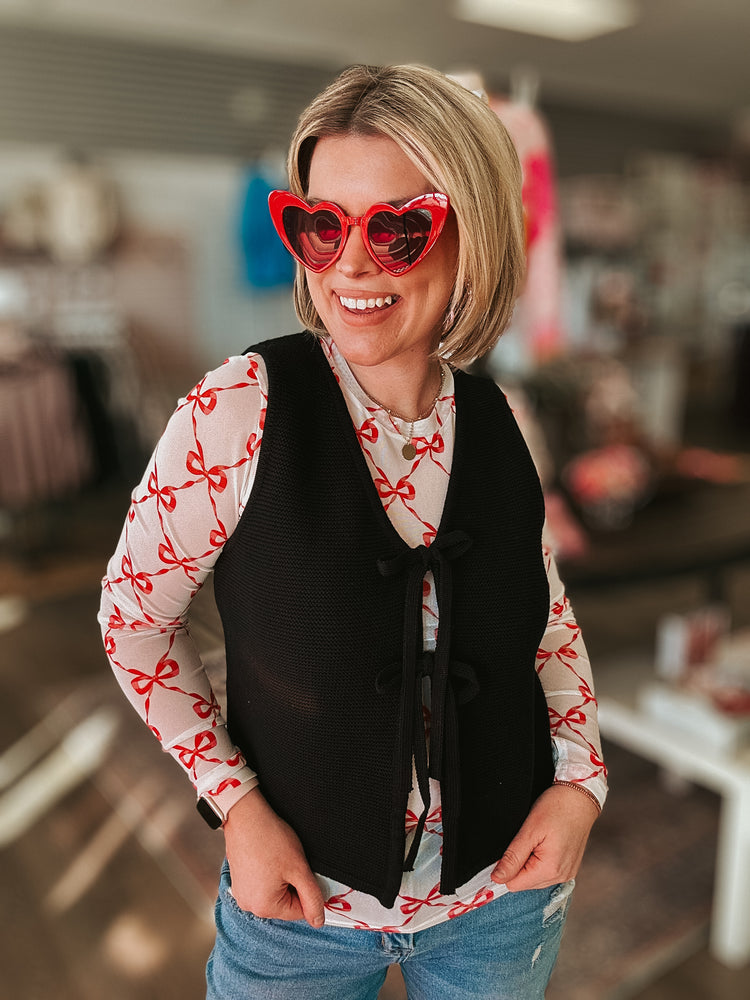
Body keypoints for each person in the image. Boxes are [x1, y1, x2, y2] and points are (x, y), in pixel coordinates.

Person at [99, 63, 607, 1000]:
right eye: (321, 225)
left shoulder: (505, 423)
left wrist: (581, 784)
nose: (353, 264)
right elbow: (135, 623)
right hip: (300, 916)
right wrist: (236, 807)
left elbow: (548, 619)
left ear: (476, 233)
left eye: (400, 228)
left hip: (502, 906)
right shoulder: (240, 407)